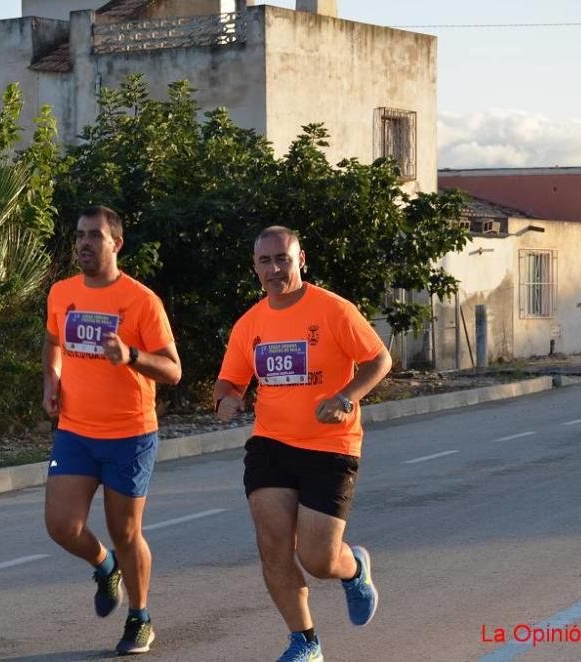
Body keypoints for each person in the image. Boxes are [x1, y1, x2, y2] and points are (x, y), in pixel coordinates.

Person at [214, 226, 392, 662]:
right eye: (265, 261)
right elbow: (230, 379)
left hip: (331, 446)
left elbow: (379, 359)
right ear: (255, 267)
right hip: (271, 444)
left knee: (317, 557)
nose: (275, 269)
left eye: (283, 259)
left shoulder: (332, 310)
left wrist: (345, 397)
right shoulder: (250, 323)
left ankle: (353, 569)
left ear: (300, 259)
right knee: (273, 546)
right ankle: (305, 642)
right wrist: (226, 399)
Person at [43, 205, 181, 656]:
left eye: (94, 236)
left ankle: (140, 616)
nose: (84, 243)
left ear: (116, 243)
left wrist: (133, 357)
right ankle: (104, 567)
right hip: (76, 430)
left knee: (126, 533)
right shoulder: (62, 293)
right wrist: (52, 379)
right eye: (80, 235)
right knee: (62, 526)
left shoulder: (142, 301)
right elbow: (53, 340)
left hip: (129, 434)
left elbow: (173, 371)